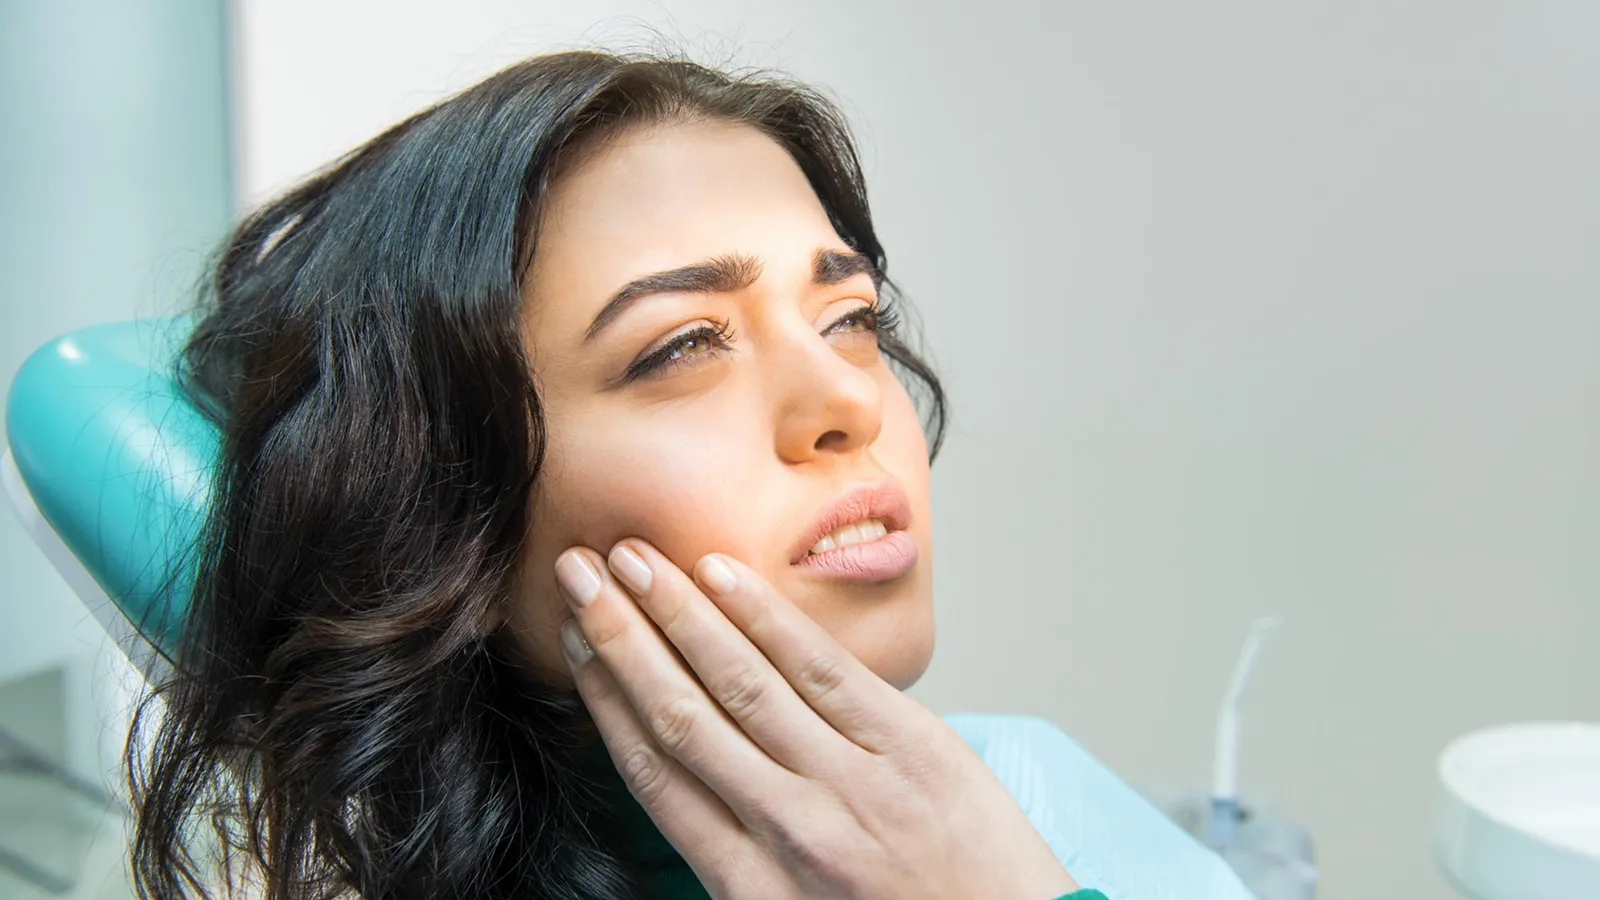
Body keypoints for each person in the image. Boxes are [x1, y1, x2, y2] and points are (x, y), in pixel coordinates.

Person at [130, 50, 1252, 900]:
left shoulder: (1034, 794)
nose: (852, 401)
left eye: (850, 318)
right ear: (442, 521)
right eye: (680, 346)